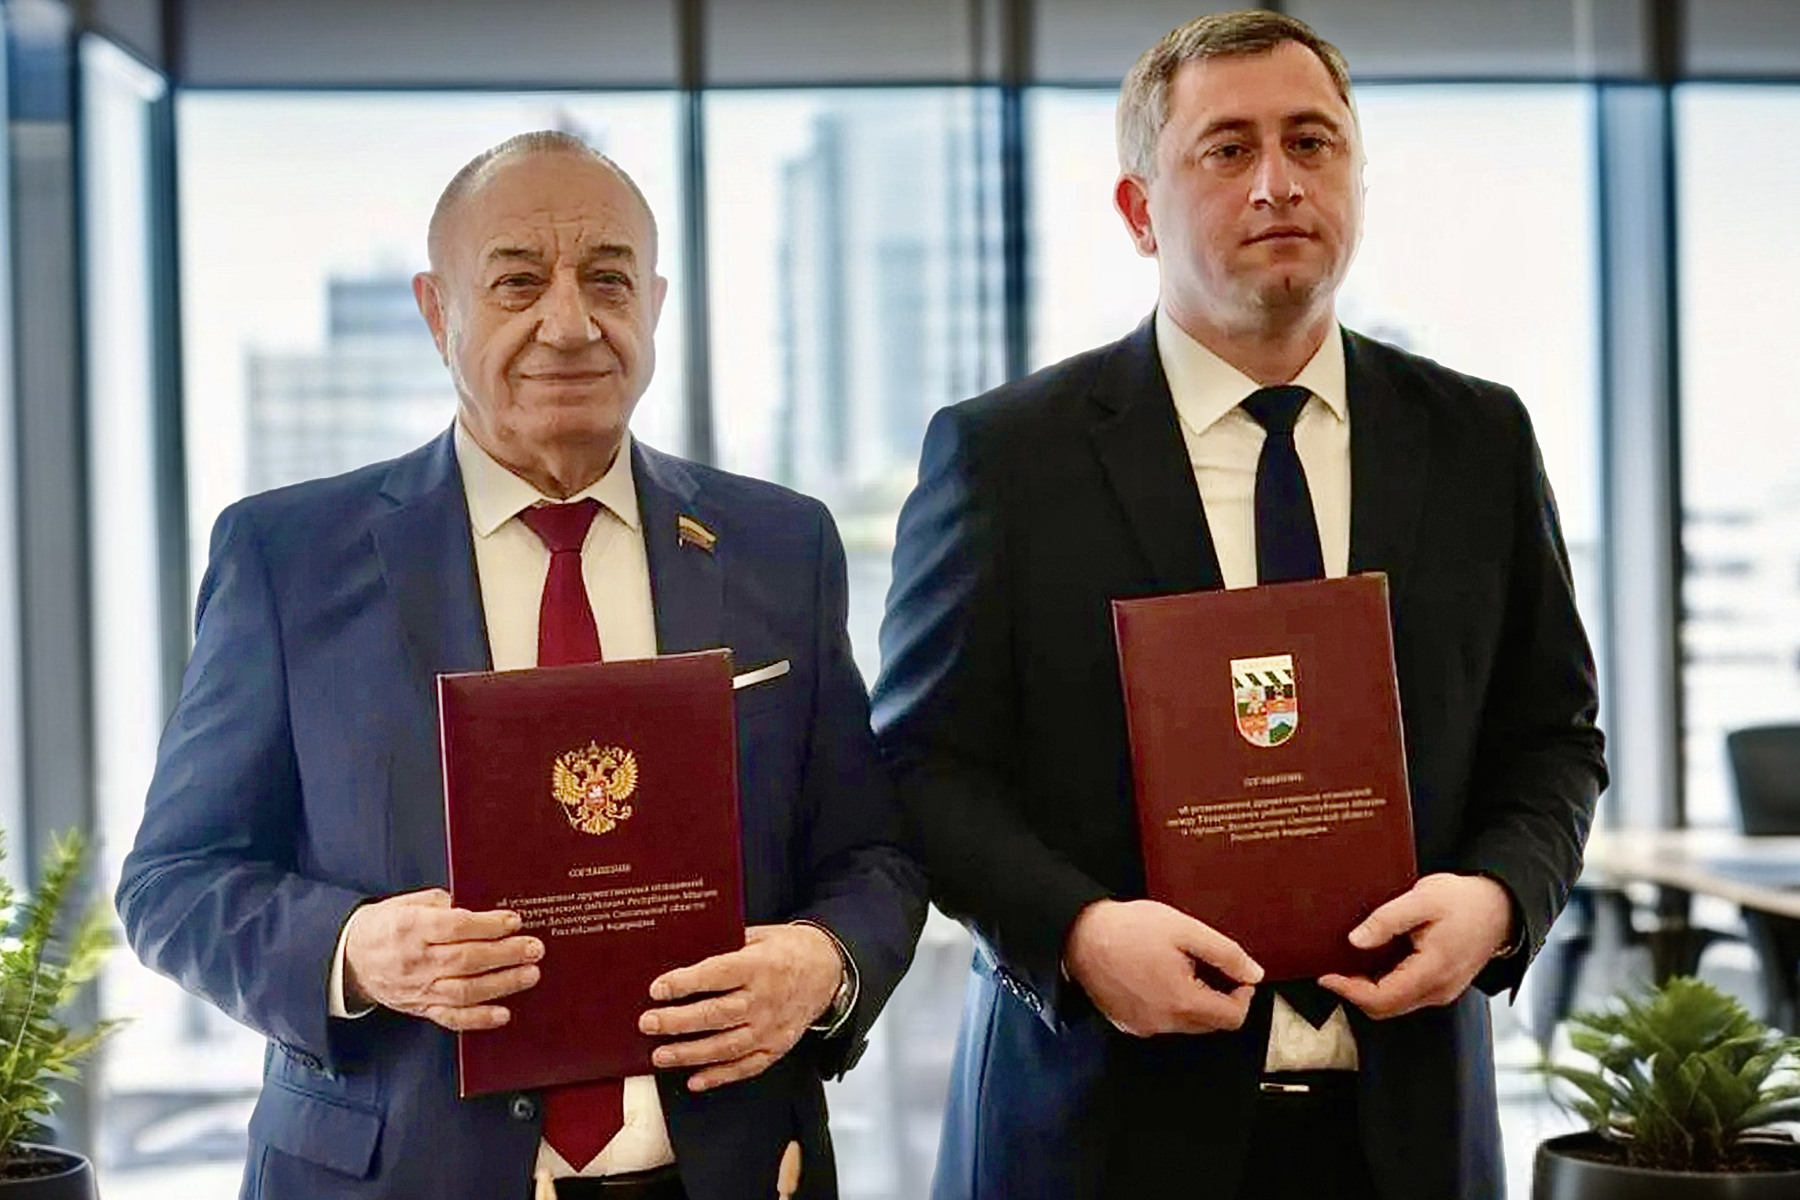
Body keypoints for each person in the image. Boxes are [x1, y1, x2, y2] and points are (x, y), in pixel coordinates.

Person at [871, 11, 1604, 1200]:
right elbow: (921, 765)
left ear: (1356, 177)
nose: (1277, 183)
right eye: (1227, 150)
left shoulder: (1479, 438)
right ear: (1139, 210)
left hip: (1407, 1128)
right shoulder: (1008, 458)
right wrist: (1078, 934)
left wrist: (1498, 901)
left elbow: (1554, 739)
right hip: (1097, 1126)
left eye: (1312, 142)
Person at [116, 131, 925, 1200]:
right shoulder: (288, 558)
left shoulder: (781, 544)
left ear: (655, 305)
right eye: (517, 282)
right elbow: (172, 882)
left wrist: (823, 963)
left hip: (729, 1169)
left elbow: (872, 854)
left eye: (609, 280)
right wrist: (354, 950)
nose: (570, 323)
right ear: (437, 310)